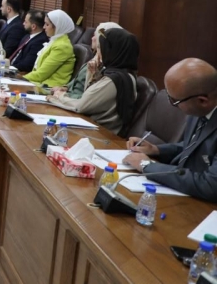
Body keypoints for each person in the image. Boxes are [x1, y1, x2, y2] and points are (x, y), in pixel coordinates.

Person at [123, 58, 217, 202]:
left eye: (174, 101)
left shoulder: (197, 107)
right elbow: (193, 146)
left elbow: (211, 185)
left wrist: (147, 165)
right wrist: (156, 150)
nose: (172, 104)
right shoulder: (200, 109)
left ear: (202, 101)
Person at [48, 28, 139, 136]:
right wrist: (93, 75)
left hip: (100, 134)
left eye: (101, 48)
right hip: (92, 128)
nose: (98, 52)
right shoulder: (121, 73)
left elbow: (81, 105)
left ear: (112, 51)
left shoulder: (113, 80)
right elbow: (88, 96)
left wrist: (59, 96)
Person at [53, 22, 122, 99]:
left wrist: (63, 96)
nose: (92, 38)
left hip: (75, 101)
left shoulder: (106, 67)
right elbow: (75, 83)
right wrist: (64, 88)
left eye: (95, 35)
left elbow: (89, 97)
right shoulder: (95, 58)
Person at [24, 9, 76, 87]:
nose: (44, 27)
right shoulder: (55, 40)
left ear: (57, 27)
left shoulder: (62, 46)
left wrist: (19, 78)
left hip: (49, 88)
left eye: (47, 24)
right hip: (40, 83)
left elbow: (41, 75)